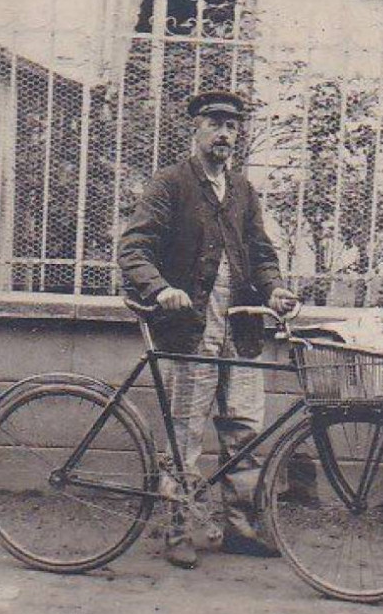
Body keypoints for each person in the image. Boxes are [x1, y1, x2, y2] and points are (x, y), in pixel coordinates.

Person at [118, 90, 299, 570]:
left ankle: (240, 528)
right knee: (185, 433)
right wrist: (159, 290)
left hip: (240, 327)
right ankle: (177, 528)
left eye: (232, 127)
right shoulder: (170, 184)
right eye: (215, 124)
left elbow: (261, 253)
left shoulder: (242, 190)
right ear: (194, 129)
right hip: (190, 328)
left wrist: (275, 290)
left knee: (245, 429)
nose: (224, 134)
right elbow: (134, 248)